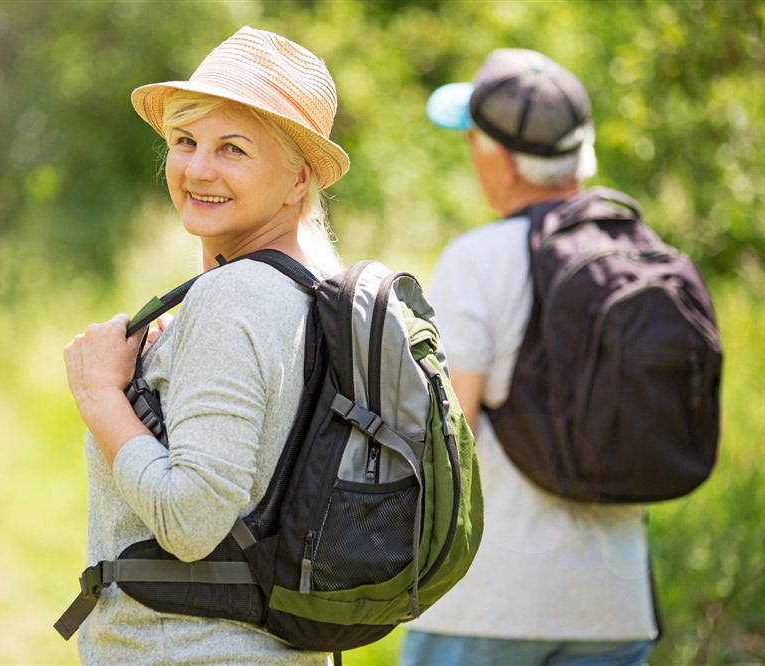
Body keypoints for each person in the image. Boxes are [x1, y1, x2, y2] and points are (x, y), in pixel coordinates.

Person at [62, 26, 348, 664]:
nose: (197, 169)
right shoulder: (315, 293)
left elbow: (191, 522)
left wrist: (102, 397)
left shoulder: (234, 299)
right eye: (186, 141)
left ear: (299, 177)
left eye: (233, 149)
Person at [398, 49, 658, 666]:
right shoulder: (642, 252)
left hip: (491, 602)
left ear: (500, 158)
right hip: (615, 604)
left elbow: (453, 430)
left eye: (472, 141)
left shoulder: (478, 257)